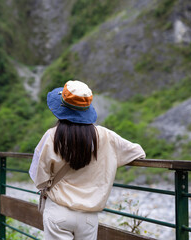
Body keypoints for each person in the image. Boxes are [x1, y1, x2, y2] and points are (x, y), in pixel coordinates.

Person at [29, 80, 146, 240]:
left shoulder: (51, 136)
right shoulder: (106, 136)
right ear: (87, 109)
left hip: (58, 211)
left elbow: (39, 178)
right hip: (88, 217)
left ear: (62, 107)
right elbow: (137, 152)